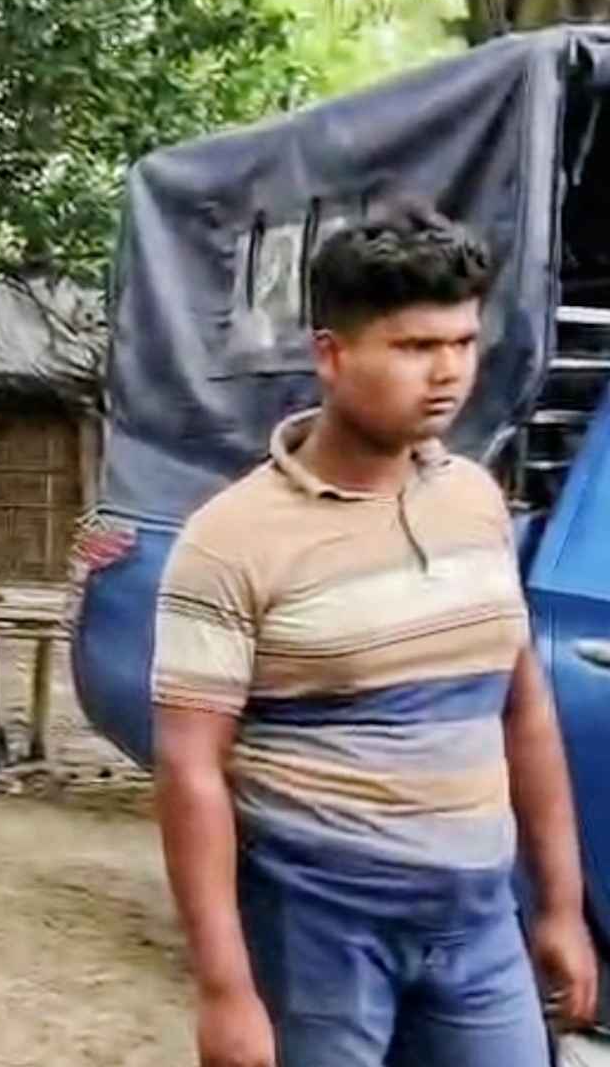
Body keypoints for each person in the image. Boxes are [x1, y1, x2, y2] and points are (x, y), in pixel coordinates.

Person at [152, 201, 597, 1067]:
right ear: (331, 354)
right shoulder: (230, 540)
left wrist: (559, 906)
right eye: (414, 347)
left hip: (477, 921)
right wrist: (225, 989)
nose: (448, 373)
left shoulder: (474, 501)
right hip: (316, 925)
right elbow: (189, 768)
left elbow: (521, 711)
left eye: (463, 343)